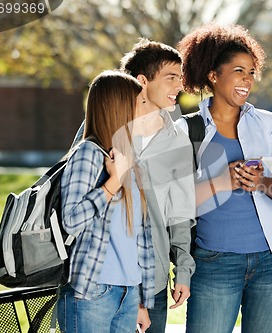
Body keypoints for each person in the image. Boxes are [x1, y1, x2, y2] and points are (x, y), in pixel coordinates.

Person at [70, 39, 196, 333]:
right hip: (101, 280)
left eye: (181, 77)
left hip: (152, 281)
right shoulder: (101, 129)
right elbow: (78, 204)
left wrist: (184, 271)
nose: (181, 85)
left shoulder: (177, 138)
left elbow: (179, 212)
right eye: (172, 77)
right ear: (143, 81)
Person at [175, 24, 272, 333]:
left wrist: (263, 184)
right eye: (239, 70)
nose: (247, 79)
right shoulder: (185, 131)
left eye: (252, 72)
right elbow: (174, 201)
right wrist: (223, 181)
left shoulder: (267, 124)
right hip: (215, 263)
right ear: (214, 76)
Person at [57, 70, 153, 333]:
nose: (148, 108)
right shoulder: (88, 153)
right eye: (142, 102)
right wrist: (113, 182)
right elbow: (71, 220)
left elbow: (140, 236)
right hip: (92, 292)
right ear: (120, 108)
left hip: (128, 294)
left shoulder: (133, 160)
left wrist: (142, 300)